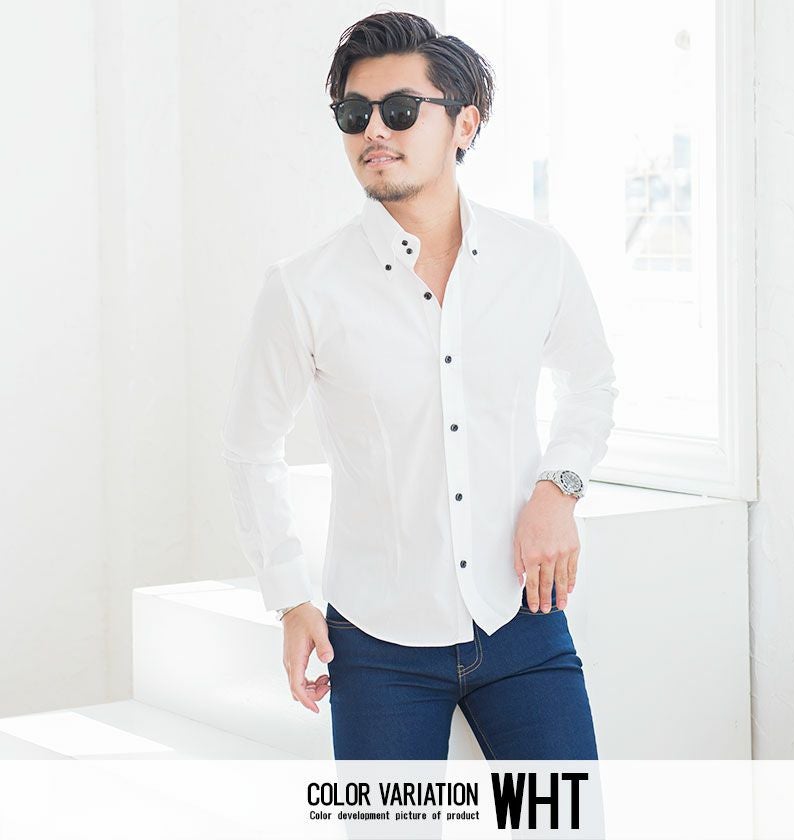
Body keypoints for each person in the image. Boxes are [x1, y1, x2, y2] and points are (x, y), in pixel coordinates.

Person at [220, 11, 618, 761]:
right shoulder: (303, 288)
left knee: (567, 816)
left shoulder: (538, 258)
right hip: (376, 647)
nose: (374, 130)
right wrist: (290, 599)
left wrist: (557, 490)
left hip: (522, 619)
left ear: (464, 124)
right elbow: (250, 447)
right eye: (354, 114)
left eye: (400, 109)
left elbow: (591, 382)